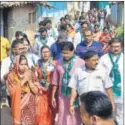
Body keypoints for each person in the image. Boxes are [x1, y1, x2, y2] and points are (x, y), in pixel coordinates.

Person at [6, 55, 52, 125]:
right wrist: (24, 80)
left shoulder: (30, 73)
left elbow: (36, 91)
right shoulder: (11, 76)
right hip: (19, 105)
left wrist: (29, 81)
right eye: (21, 64)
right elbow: (12, 91)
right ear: (16, 64)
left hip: (31, 105)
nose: (24, 66)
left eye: (26, 64)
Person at [68, 50, 115, 117]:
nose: (96, 62)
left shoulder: (102, 70)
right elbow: (74, 89)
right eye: (93, 60)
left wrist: (112, 103)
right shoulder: (78, 71)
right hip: (84, 104)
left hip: (99, 104)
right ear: (86, 61)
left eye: (97, 60)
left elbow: (108, 88)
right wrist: (71, 105)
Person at [51, 42, 84, 125]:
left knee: (74, 115)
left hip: (76, 95)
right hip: (62, 95)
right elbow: (55, 80)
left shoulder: (80, 62)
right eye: (63, 53)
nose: (65, 55)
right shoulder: (58, 62)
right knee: (63, 113)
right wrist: (53, 96)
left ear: (73, 51)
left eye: (67, 53)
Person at [99, 38, 123, 125]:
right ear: (109, 47)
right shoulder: (103, 59)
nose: (115, 49)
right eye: (113, 47)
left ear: (121, 47)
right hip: (106, 93)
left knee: (121, 115)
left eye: (118, 46)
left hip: (121, 93)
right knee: (107, 115)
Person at [36, 46, 57, 125]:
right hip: (41, 90)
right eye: (43, 52)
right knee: (41, 111)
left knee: (52, 110)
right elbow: (36, 75)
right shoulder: (38, 62)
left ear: (50, 52)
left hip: (51, 90)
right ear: (41, 53)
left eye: (47, 51)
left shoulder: (54, 63)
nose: (45, 54)